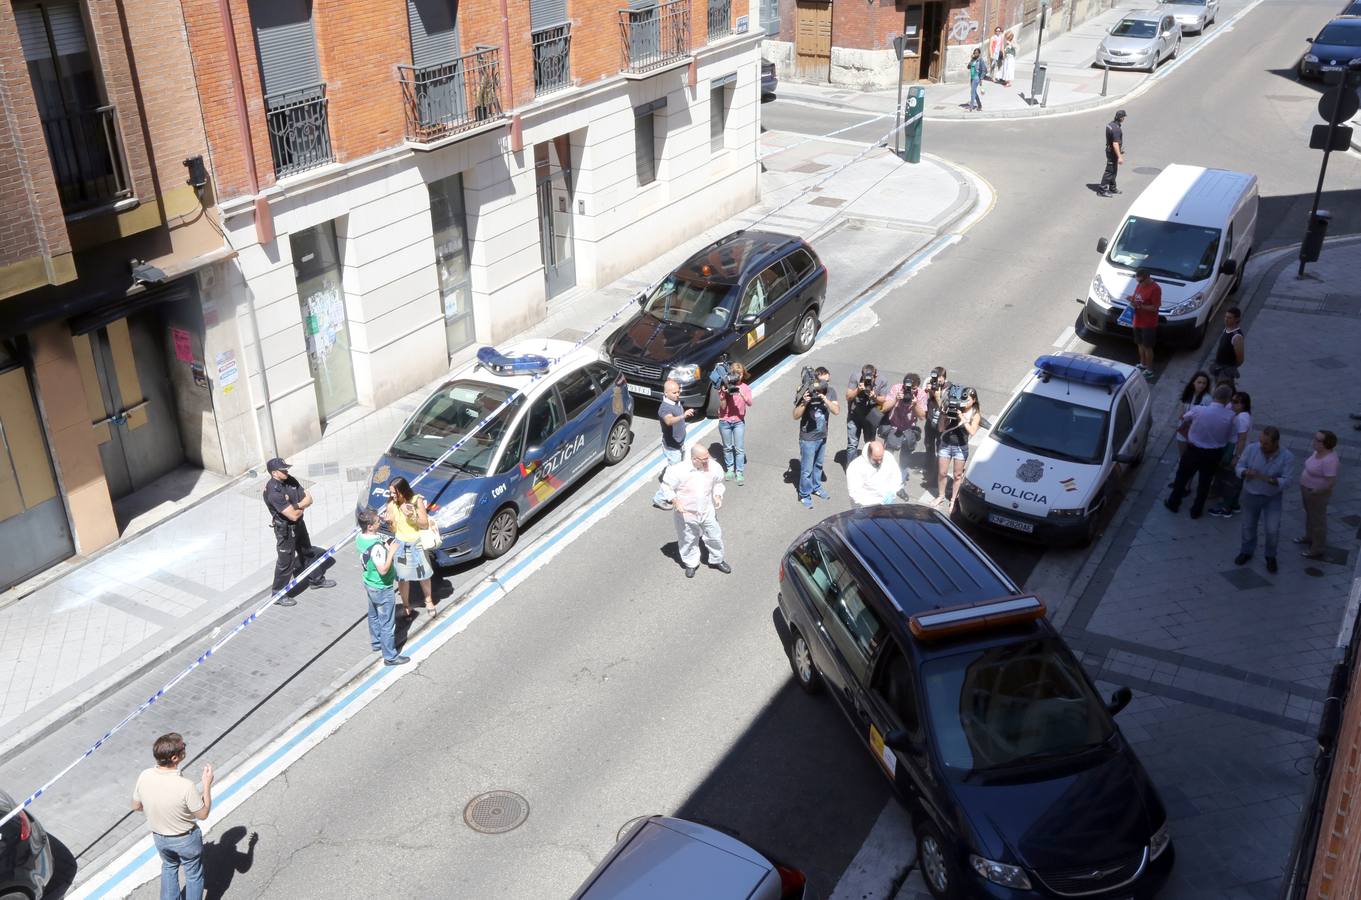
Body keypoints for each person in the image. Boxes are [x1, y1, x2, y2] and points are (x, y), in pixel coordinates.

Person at [131, 733, 213, 900]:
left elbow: (136, 806)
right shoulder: (185, 786)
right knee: (193, 875)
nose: (185, 748)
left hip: (160, 838)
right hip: (185, 839)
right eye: (184, 747)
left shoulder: (145, 775)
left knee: (169, 867)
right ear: (175, 757)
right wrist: (206, 785)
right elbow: (203, 814)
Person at [262, 457, 336, 607]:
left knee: (307, 552)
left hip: (299, 526)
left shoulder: (290, 480)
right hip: (286, 531)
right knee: (286, 563)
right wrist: (300, 506)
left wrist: (296, 505)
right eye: (283, 470)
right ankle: (278, 594)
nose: (286, 471)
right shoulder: (273, 491)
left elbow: (309, 498)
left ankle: (316, 580)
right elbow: (293, 515)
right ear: (274, 473)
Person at [1165, 385, 1236, 518]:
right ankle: (1196, 510)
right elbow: (1232, 438)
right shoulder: (1231, 416)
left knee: (1182, 477)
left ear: (1214, 395)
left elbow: (1184, 418)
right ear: (1228, 400)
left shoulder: (1199, 410)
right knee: (1205, 482)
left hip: (1193, 450)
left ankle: (1174, 503)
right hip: (1213, 454)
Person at [662, 445, 730, 578]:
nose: (707, 462)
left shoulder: (713, 467)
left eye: (708, 458)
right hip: (686, 514)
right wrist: (676, 502)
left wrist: (717, 495)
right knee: (688, 539)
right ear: (694, 459)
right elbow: (667, 487)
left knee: (714, 536)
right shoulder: (678, 471)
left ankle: (717, 560)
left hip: (706, 510)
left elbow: (718, 483)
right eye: (704, 459)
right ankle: (691, 563)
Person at [1233, 426, 1293, 574]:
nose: (1262, 446)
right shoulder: (1252, 448)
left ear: (1276, 442)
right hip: (1251, 494)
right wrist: (1245, 472)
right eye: (1261, 442)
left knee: (1272, 529)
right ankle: (1246, 551)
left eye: (1266, 443)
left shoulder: (1287, 456)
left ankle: (1270, 556)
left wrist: (1276, 482)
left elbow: (1288, 479)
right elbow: (1239, 466)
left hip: (1272, 497)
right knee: (1248, 526)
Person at [356, 508, 409, 666]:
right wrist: (391, 551)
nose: (381, 522)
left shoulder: (360, 537)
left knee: (373, 615)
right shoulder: (377, 548)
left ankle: (377, 643)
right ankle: (390, 657)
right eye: (378, 521)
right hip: (382, 587)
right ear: (370, 526)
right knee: (387, 623)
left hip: (369, 583)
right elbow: (383, 569)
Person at [794, 367, 841, 509]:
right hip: (808, 438)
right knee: (807, 469)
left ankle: (816, 486)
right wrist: (805, 402)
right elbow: (795, 415)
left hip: (822, 436)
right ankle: (804, 494)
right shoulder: (804, 391)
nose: (826, 384)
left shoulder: (830, 392)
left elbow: (836, 411)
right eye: (823, 381)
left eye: (827, 381)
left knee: (818, 465)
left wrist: (825, 399)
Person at [879, 372, 928, 487]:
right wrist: (895, 399)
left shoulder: (921, 394)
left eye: (913, 389)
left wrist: (915, 404)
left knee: (905, 458)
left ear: (917, 387)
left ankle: (900, 481)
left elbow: (922, 416)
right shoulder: (896, 388)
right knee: (888, 455)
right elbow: (884, 408)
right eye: (908, 388)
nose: (909, 391)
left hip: (908, 429)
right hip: (893, 426)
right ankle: (886, 479)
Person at [1297, 430, 1340, 560]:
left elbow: (1330, 482)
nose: (1314, 441)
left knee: (1318, 521)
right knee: (1310, 515)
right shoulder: (1317, 452)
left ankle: (1317, 548)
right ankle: (1309, 537)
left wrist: (1316, 491)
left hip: (1316, 494)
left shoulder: (1329, 460)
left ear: (1325, 444)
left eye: (1318, 440)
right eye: (1315, 438)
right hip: (1307, 488)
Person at [1209, 392, 1253, 518]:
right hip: (1237, 448)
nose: (1232, 404)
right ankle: (1234, 504)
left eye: (1235, 402)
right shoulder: (1244, 415)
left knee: (1230, 478)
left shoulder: (1242, 418)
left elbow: (1242, 438)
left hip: (1235, 449)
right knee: (1235, 478)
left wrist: (1236, 456)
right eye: (1232, 400)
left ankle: (1225, 507)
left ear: (1243, 404)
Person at [937, 387, 982, 510]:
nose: (965, 402)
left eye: (968, 400)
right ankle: (940, 496)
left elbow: (972, 431)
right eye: (964, 399)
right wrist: (943, 414)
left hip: (960, 447)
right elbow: (941, 429)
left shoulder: (975, 414)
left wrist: (962, 418)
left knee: (957, 475)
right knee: (942, 473)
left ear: (974, 400)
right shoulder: (954, 408)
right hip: (946, 444)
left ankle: (953, 500)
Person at [653, 379, 695, 509]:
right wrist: (683, 416)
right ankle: (659, 498)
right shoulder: (665, 408)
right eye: (675, 392)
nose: (678, 394)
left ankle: (676, 491)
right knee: (674, 476)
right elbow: (669, 421)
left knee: (679, 471)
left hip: (679, 444)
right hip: (672, 448)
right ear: (666, 393)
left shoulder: (675, 402)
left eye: (678, 391)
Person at [717, 362, 754, 485]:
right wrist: (723, 396)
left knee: (739, 448)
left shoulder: (745, 388)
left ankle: (739, 471)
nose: (738, 377)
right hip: (725, 421)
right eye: (735, 374)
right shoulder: (726, 386)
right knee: (727, 447)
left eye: (740, 374)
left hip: (739, 422)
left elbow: (750, 403)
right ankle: (730, 469)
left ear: (743, 374)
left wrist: (742, 394)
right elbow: (723, 408)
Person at [844, 363, 889, 463]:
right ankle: (851, 469)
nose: (867, 380)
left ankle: (869, 467)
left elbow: (883, 400)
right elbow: (848, 396)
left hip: (870, 416)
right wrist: (858, 389)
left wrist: (874, 397)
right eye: (865, 377)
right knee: (852, 444)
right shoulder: (855, 377)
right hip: (855, 415)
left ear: (875, 375)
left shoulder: (882, 380)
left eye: (870, 377)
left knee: (870, 443)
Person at [847, 440, 903, 507]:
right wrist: (872, 505)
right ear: (869, 454)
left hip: (887, 502)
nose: (879, 462)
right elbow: (855, 492)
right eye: (875, 460)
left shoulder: (888, 457)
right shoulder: (856, 466)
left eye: (881, 459)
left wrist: (892, 491)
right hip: (865, 506)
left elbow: (896, 476)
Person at [1126, 268, 1161, 377]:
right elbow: (1137, 297)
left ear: (1148, 278)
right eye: (1137, 281)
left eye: (1141, 281)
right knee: (1140, 344)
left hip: (1148, 323)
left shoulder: (1155, 288)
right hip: (1138, 320)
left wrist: (1140, 306)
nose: (1139, 283)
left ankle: (1149, 370)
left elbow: (1155, 307)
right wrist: (1131, 298)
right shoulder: (1140, 285)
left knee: (1147, 347)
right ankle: (1143, 364)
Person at [1174, 371, 1213, 459]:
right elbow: (1181, 407)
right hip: (1183, 429)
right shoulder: (1188, 394)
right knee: (1183, 456)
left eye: (1204, 383)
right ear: (1193, 382)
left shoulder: (1207, 399)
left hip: (1196, 432)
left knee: (1192, 457)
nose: (1201, 385)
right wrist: (1181, 414)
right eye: (1199, 382)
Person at [1209, 307, 1245, 386]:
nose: (1226, 319)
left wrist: (1230, 368)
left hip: (1226, 373)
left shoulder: (1237, 337)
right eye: (1225, 317)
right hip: (1218, 367)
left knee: (1223, 392)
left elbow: (1240, 359)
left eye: (1229, 318)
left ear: (1237, 319)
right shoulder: (1226, 329)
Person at [923, 367, 949, 462]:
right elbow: (924, 400)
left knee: (940, 446)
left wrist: (938, 397)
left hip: (941, 423)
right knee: (928, 443)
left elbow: (945, 409)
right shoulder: (929, 382)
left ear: (944, 377)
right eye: (935, 377)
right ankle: (929, 464)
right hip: (930, 420)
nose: (936, 380)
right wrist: (929, 392)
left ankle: (938, 467)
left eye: (939, 377)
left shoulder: (949, 389)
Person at [1098, 110, 1127, 197]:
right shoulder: (1116, 129)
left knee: (1114, 170)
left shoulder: (1110, 124)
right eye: (1124, 117)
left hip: (1110, 150)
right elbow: (1115, 143)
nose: (1124, 119)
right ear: (1121, 118)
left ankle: (1112, 187)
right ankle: (1102, 190)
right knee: (1109, 171)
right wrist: (1120, 156)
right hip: (1112, 153)